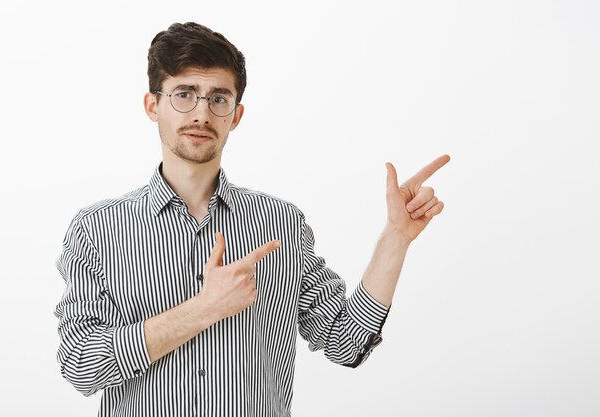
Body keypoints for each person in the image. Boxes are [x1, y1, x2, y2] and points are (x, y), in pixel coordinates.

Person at [54, 21, 450, 417]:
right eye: (184, 95)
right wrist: (204, 308)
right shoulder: (96, 229)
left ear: (236, 114)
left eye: (218, 98)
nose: (202, 113)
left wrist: (396, 238)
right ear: (152, 105)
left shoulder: (281, 224)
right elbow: (80, 367)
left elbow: (345, 342)